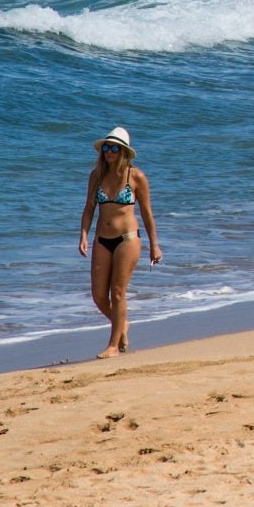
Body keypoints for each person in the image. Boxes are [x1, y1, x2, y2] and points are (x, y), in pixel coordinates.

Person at [78, 127, 160, 358]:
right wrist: (83, 234)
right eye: (106, 147)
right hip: (101, 240)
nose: (109, 152)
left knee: (117, 293)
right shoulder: (96, 175)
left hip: (128, 239)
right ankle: (122, 325)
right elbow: (89, 208)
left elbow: (146, 213)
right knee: (98, 295)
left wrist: (154, 244)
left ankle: (113, 346)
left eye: (114, 148)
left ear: (123, 151)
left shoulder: (136, 177)